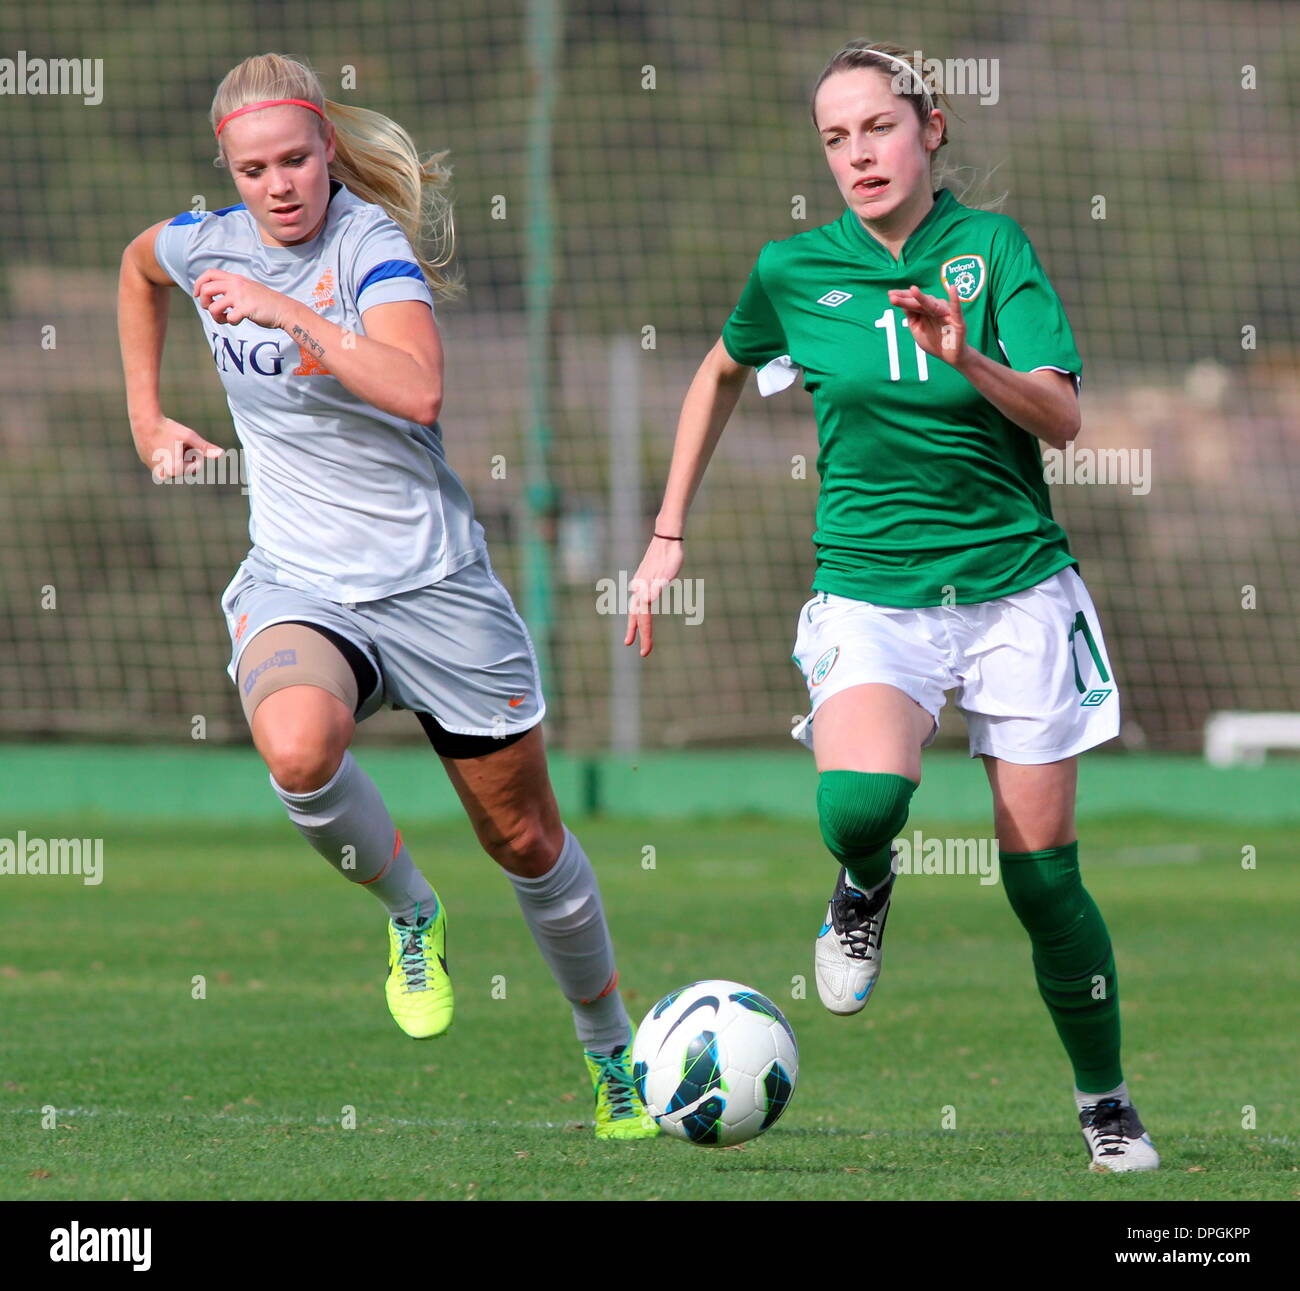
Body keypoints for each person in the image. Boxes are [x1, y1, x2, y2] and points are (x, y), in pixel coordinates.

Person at [626, 39, 1157, 1172]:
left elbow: (1060, 422)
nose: (857, 154)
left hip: (1017, 588)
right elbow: (721, 370)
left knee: (1042, 878)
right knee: (863, 804)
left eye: (876, 127)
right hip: (872, 592)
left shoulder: (991, 248)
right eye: (833, 138)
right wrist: (668, 530)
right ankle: (863, 886)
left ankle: (1104, 1101)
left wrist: (969, 358)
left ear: (930, 129)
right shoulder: (791, 271)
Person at [117, 51, 655, 1141]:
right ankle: (413, 909)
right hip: (301, 581)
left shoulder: (369, 244)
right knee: (298, 752)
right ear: (228, 167)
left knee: (526, 843)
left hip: (436, 588)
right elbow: (135, 269)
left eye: (297, 160)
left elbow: (418, 388)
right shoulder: (203, 238)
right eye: (255, 167)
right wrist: (146, 416)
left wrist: (292, 316)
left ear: (329, 151)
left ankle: (610, 1056)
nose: (279, 184)